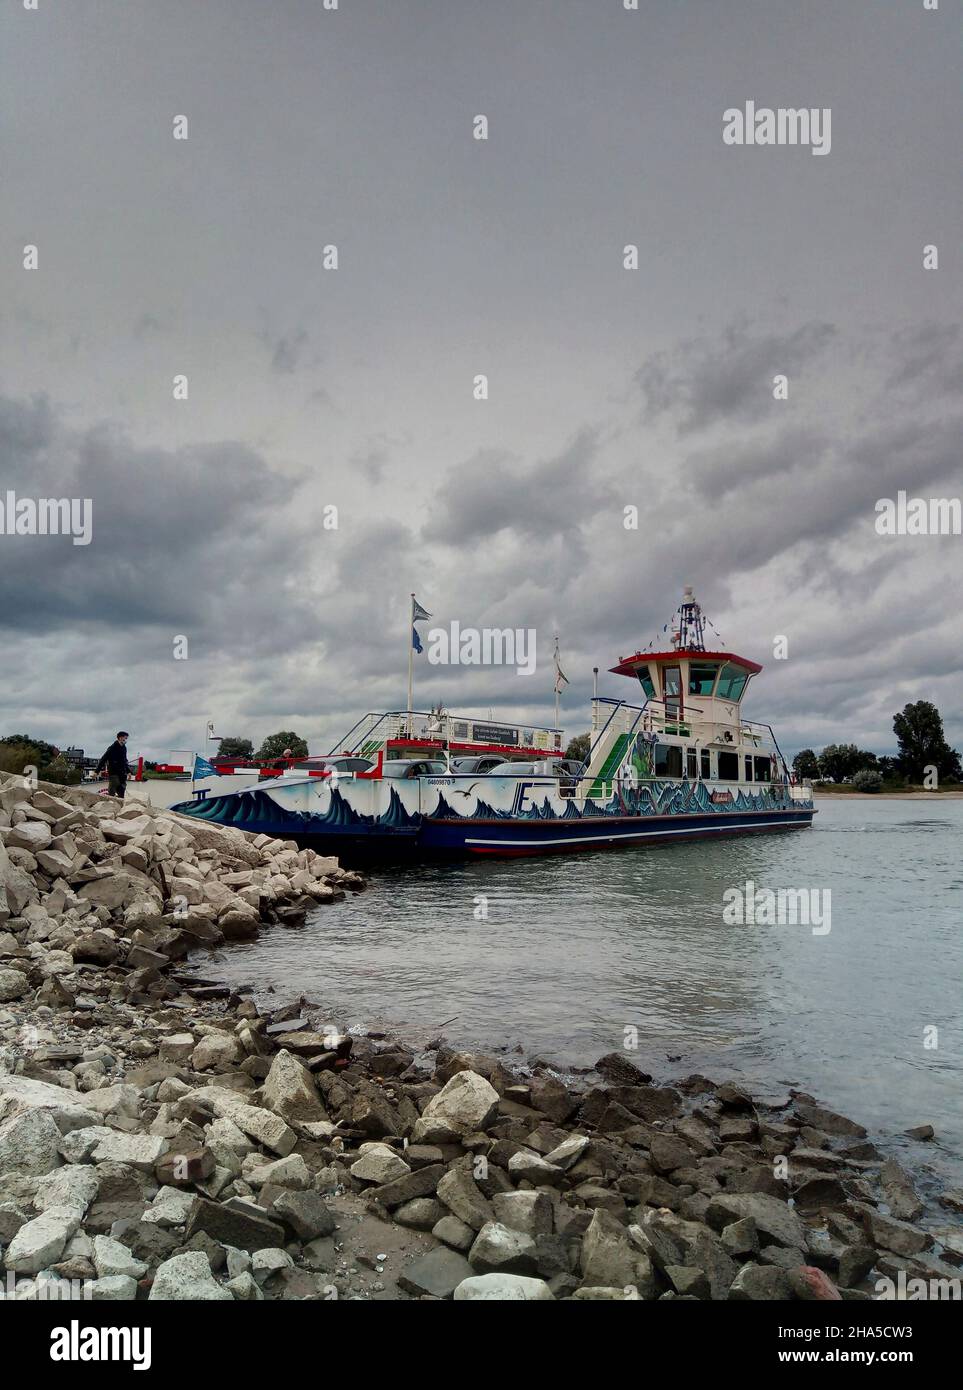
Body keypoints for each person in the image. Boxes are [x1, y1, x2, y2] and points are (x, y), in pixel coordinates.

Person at [96, 731, 132, 799]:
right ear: (120, 738)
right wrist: (97, 771)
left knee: (121, 793)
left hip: (122, 774)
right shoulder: (112, 748)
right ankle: (109, 804)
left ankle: (120, 806)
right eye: (125, 738)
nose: (126, 740)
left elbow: (124, 761)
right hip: (114, 773)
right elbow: (103, 759)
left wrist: (129, 771)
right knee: (111, 793)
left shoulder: (124, 748)